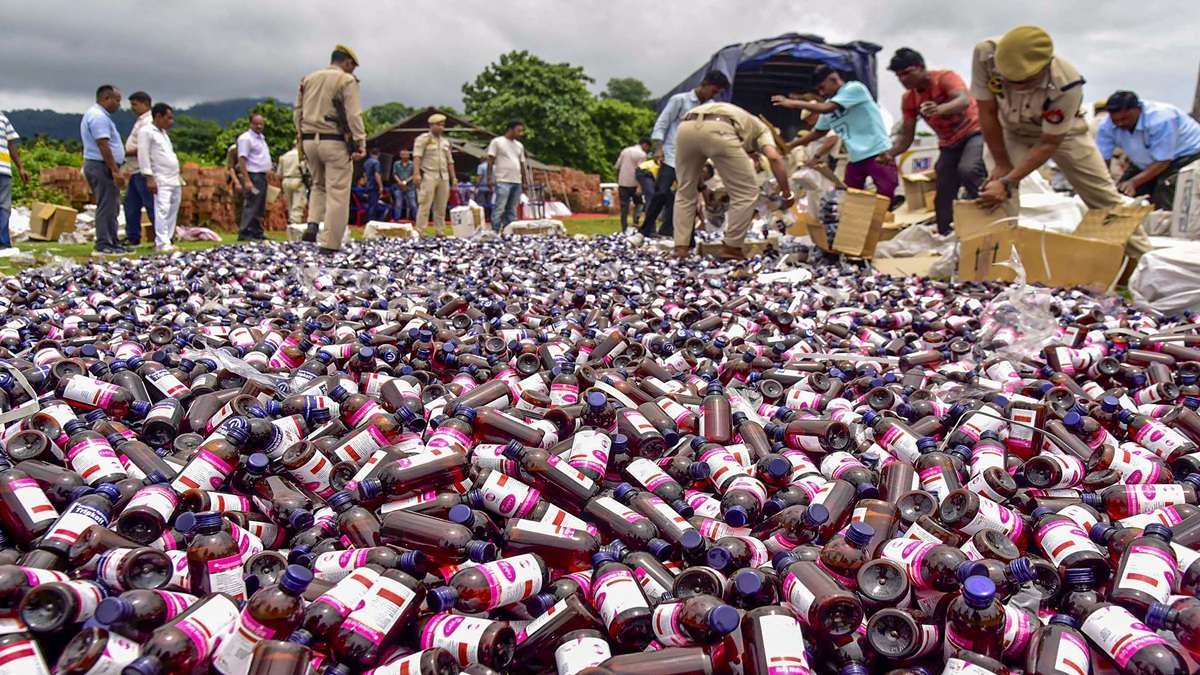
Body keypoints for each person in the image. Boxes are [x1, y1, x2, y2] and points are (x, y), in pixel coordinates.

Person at [971, 26, 1148, 255]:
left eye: (1021, 82)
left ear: (1043, 68)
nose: (1013, 86)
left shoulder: (1067, 82)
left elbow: (1049, 143)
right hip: (1010, 130)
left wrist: (1008, 180)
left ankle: (1145, 260)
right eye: (1007, 79)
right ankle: (1002, 263)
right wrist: (1002, 167)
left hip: (1064, 134)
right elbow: (986, 112)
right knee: (998, 196)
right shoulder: (985, 54)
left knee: (1104, 198)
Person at [672, 101, 793, 259]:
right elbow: (774, 157)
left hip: (686, 126)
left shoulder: (745, 122)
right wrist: (786, 193)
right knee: (747, 192)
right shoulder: (763, 130)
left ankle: (680, 248)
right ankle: (732, 248)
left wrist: (702, 187)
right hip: (720, 128)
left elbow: (699, 165)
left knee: (685, 191)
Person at [882, 48, 984, 234]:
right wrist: (891, 153)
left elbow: (963, 101)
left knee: (969, 170)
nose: (903, 79)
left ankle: (988, 217)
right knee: (943, 187)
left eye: (907, 73)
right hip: (949, 144)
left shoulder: (944, 78)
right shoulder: (909, 99)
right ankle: (945, 235)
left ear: (921, 67)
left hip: (974, 133)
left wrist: (940, 109)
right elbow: (906, 136)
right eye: (899, 76)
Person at [773, 65, 897, 203]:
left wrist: (793, 103)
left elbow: (827, 108)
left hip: (878, 152)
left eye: (822, 87)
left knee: (885, 198)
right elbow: (818, 132)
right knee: (851, 200)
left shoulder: (854, 89)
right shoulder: (828, 105)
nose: (821, 93)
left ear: (833, 79)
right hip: (855, 158)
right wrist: (791, 145)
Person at [643, 70, 730, 238]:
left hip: (692, 157)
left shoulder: (711, 107)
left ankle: (670, 231)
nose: (714, 95)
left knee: (684, 196)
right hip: (671, 153)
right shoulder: (680, 100)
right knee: (661, 192)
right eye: (713, 91)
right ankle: (646, 230)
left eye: (717, 93)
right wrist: (659, 147)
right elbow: (662, 123)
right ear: (705, 84)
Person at [296, 45, 366, 253]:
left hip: (309, 139)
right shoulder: (346, 80)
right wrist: (360, 141)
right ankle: (330, 243)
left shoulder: (308, 79)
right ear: (347, 62)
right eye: (352, 66)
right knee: (338, 192)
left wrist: (301, 137)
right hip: (334, 141)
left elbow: (297, 112)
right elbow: (353, 114)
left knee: (318, 185)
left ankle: (312, 223)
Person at [1095, 90, 1200, 210]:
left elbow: (1163, 161)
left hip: (1185, 156)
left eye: (1125, 118)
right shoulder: (1106, 127)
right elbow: (1103, 161)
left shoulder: (1161, 118)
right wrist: (1103, 185)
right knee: (1123, 194)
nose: (1120, 123)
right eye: (1115, 120)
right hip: (1146, 160)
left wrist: (1134, 182)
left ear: (1137, 109)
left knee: (1166, 188)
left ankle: (1166, 220)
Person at [81, 84, 128, 256]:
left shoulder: (102, 116)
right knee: (106, 205)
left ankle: (113, 241)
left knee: (112, 205)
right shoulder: (98, 116)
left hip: (104, 165)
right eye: (117, 100)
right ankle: (103, 243)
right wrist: (114, 170)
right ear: (106, 98)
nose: (119, 105)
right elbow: (103, 144)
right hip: (101, 165)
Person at [137, 103, 182, 253]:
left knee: (173, 208)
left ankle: (168, 239)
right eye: (168, 118)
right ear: (158, 116)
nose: (171, 122)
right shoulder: (146, 131)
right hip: (160, 177)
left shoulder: (163, 133)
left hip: (173, 177)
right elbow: (143, 155)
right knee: (162, 209)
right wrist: (149, 177)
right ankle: (162, 242)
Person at [413, 113, 455, 236]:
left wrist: (454, 177)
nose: (441, 127)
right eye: (439, 125)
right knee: (425, 203)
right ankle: (420, 230)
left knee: (441, 205)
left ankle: (440, 230)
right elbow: (417, 156)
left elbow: (450, 161)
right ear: (431, 125)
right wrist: (416, 173)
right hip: (428, 174)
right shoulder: (423, 139)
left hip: (444, 176)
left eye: (443, 125)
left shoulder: (445, 142)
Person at [121, 91, 154, 247]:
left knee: (150, 204)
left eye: (135, 104)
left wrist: (124, 152)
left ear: (145, 104)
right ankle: (133, 236)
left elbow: (144, 147)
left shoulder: (148, 122)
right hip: (135, 170)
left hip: (143, 170)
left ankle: (162, 236)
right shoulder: (140, 121)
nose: (132, 108)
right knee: (131, 204)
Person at [487, 120, 528, 232]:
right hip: (502, 180)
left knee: (512, 209)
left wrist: (524, 181)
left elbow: (522, 164)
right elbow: (490, 160)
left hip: (517, 181)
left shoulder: (519, 145)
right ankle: (495, 231)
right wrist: (489, 178)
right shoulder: (497, 142)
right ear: (510, 129)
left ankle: (508, 231)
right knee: (500, 207)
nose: (520, 133)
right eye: (518, 131)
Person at [236, 113, 271, 241]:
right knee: (252, 202)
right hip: (253, 176)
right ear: (250, 124)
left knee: (260, 204)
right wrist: (247, 180)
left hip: (261, 176)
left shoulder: (261, 138)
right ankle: (245, 231)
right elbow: (242, 159)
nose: (259, 126)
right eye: (256, 124)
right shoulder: (246, 138)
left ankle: (257, 231)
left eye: (261, 124)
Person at [0, 110, 29, 251]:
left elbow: (11, 144)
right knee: (3, 207)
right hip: (4, 171)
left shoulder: (3, 118)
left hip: (4, 171)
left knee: (4, 208)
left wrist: (21, 167)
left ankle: (3, 243)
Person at [615, 136, 650, 231]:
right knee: (639, 203)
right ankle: (635, 221)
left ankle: (624, 227)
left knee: (624, 206)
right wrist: (640, 186)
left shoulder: (625, 150)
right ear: (645, 145)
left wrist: (618, 180)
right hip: (634, 183)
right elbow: (641, 171)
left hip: (622, 182)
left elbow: (617, 166)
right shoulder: (642, 155)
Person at [278, 145, 308, 225]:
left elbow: (279, 173)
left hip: (286, 180)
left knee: (290, 205)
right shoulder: (301, 156)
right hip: (298, 180)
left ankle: (291, 223)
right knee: (298, 205)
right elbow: (305, 170)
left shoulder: (284, 156)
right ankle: (295, 223)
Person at [390, 149, 416, 220]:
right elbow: (394, 174)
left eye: (406, 154)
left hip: (410, 187)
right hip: (399, 187)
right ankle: (397, 219)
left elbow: (414, 174)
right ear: (400, 155)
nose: (404, 156)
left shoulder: (412, 164)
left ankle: (416, 219)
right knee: (398, 204)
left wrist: (405, 182)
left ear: (409, 156)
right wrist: (399, 182)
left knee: (413, 204)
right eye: (403, 154)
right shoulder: (396, 164)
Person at [362, 147, 384, 219]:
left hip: (367, 185)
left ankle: (367, 219)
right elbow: (377, 174)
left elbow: (365, 175)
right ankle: (370, 220)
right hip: (374, 185)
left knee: (369, 204)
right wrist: (380, 186)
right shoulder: (376, 162)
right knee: (373, 205)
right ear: (378, 154)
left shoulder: (366, 162)